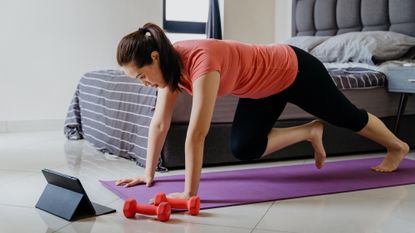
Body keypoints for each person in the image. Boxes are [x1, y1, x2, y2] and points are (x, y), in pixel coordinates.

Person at [115, 23, 410, 200]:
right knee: (244, 147)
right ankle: (309, 130)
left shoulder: (200, 61)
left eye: (142, 76)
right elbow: (159, 124)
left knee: (346, 116)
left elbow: (198, 133)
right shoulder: (168, 68)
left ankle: (397, 146)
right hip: (261, 88)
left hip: (294, 69)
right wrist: (148, 174)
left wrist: (190, 194)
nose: (144, 84)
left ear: (154, 57)